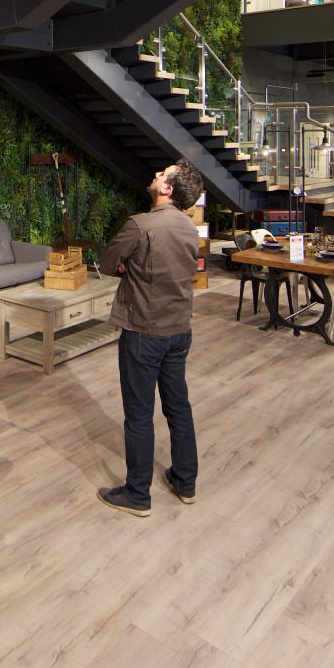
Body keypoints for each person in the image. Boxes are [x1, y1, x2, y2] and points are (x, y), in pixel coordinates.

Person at [95, 160, 205, 516]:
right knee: (178, 406)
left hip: (143, 332)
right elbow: (187, 268)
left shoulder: (139, 225)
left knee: (139, 414)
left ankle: (137, 493)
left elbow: (108, 262)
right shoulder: (190, 228)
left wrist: (130, 265)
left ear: (167, 189)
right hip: (180, 331)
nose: (155, 174)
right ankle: (185, 482)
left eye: (161, 173)